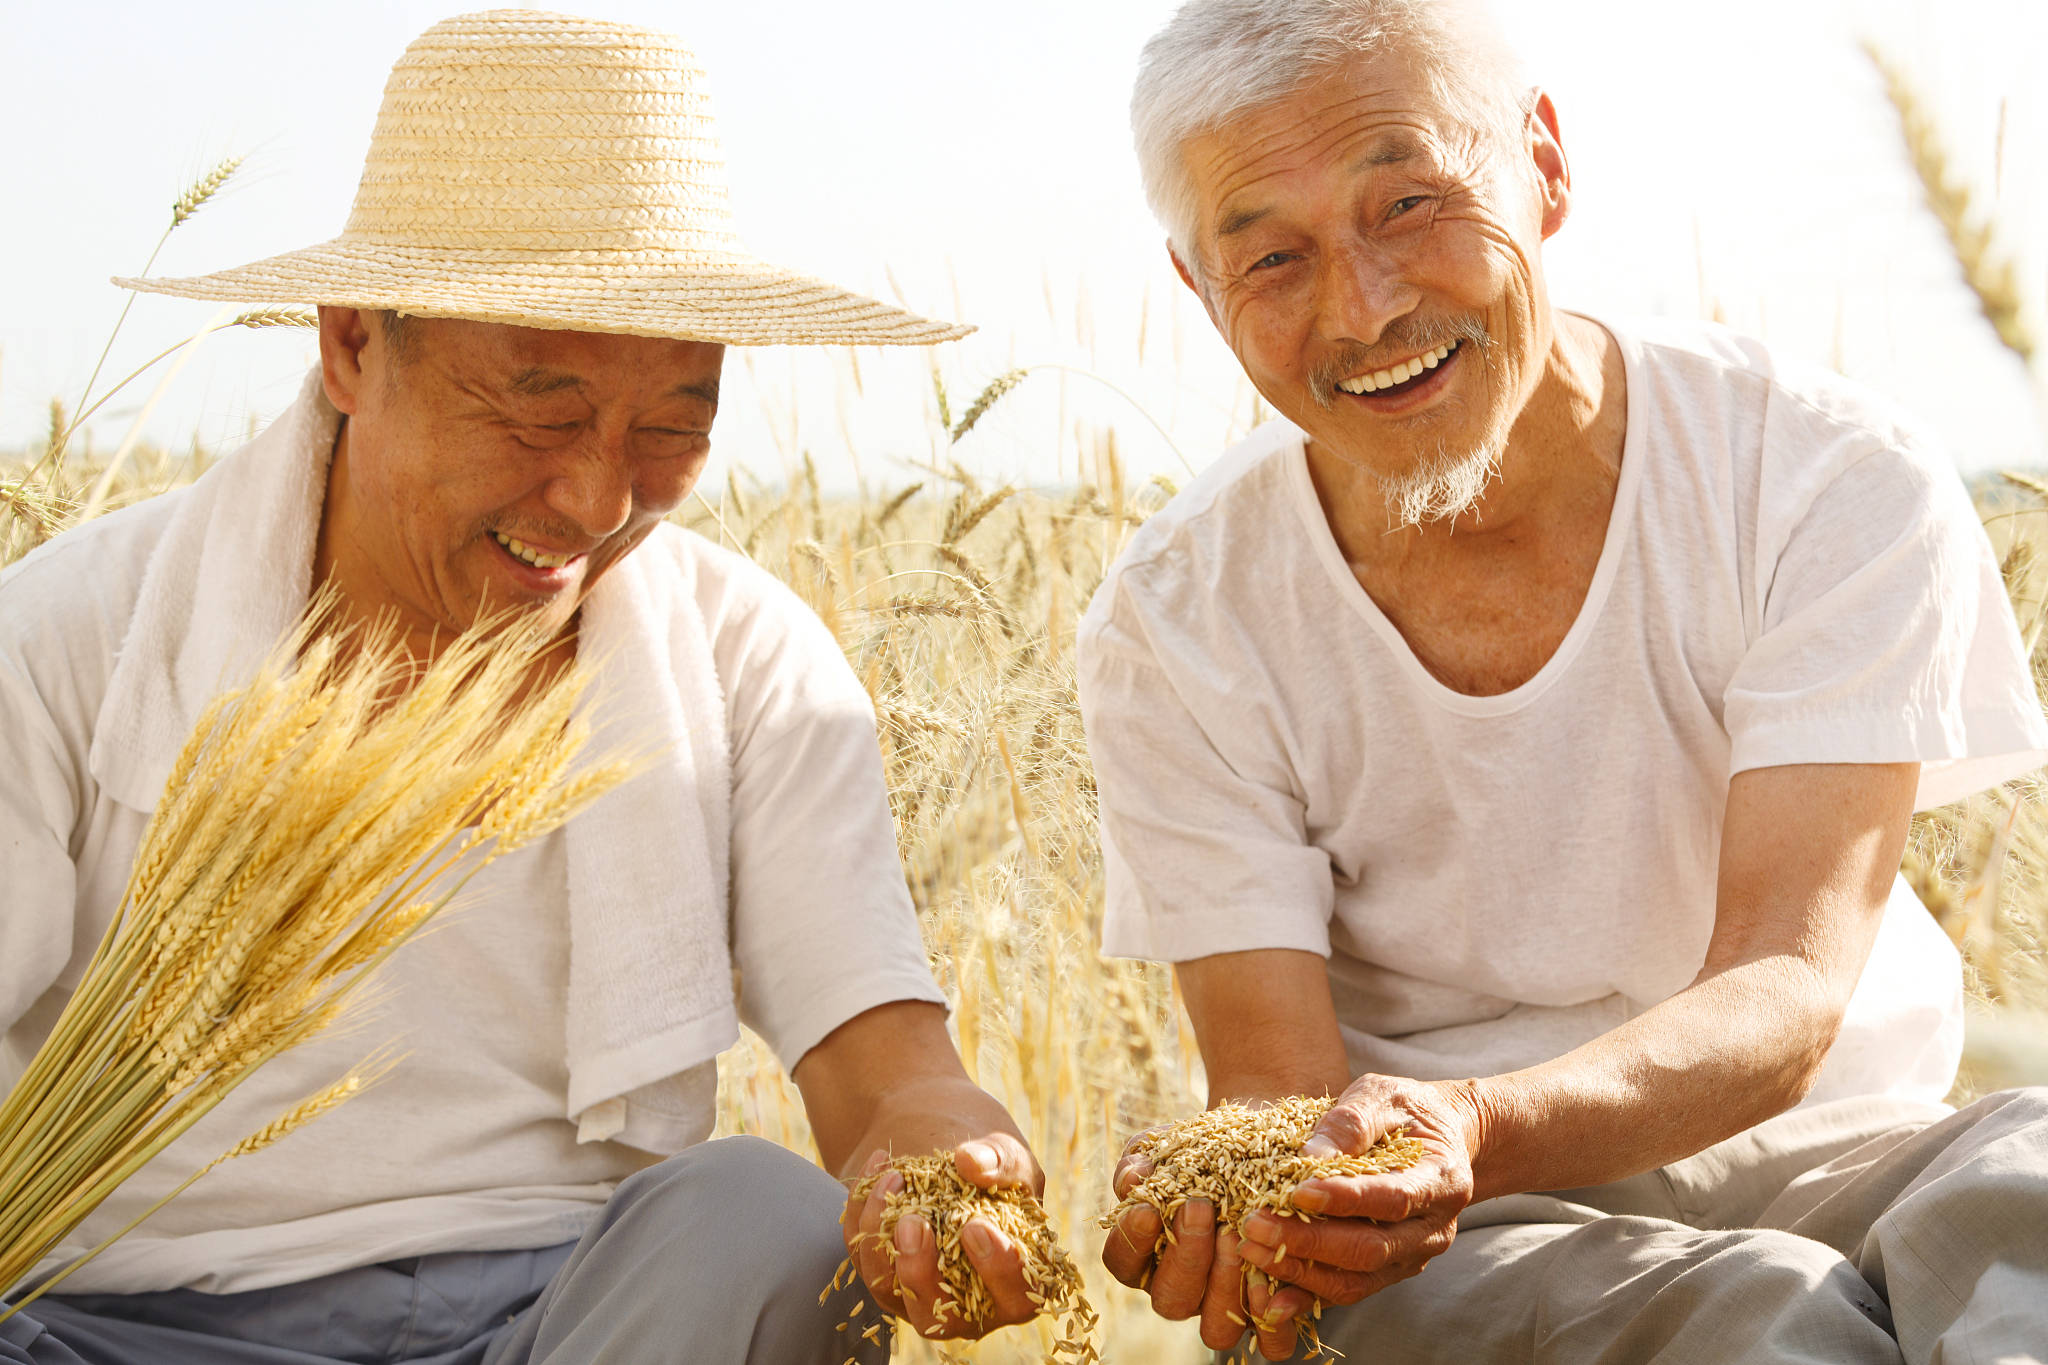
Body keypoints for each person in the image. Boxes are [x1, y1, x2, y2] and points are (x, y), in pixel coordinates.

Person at [0, 12, 1042, 1363]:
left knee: (768, 1222)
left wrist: (943, 1167)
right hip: (107, 1327)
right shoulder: (67, 637)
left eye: (673, 426)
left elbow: (890, 1067)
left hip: (567, 1325)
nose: (601, 499)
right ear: (351, 345)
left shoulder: (752, 662)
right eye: (541, 413)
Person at [1079, 1, 2048, 1361]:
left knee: (2032, 1183)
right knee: (1762, 1316)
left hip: (1854, 1142)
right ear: (1198, 288)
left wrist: (1481, 1115)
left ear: (1544, 164)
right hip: (1458, 1230)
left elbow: (1787, 982)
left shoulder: (1821, 474)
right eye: (1275, 257)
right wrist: (1269, 1198)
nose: (1366, 306)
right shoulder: (1177, 617)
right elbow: (1280, 1088)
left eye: (1411, 201)